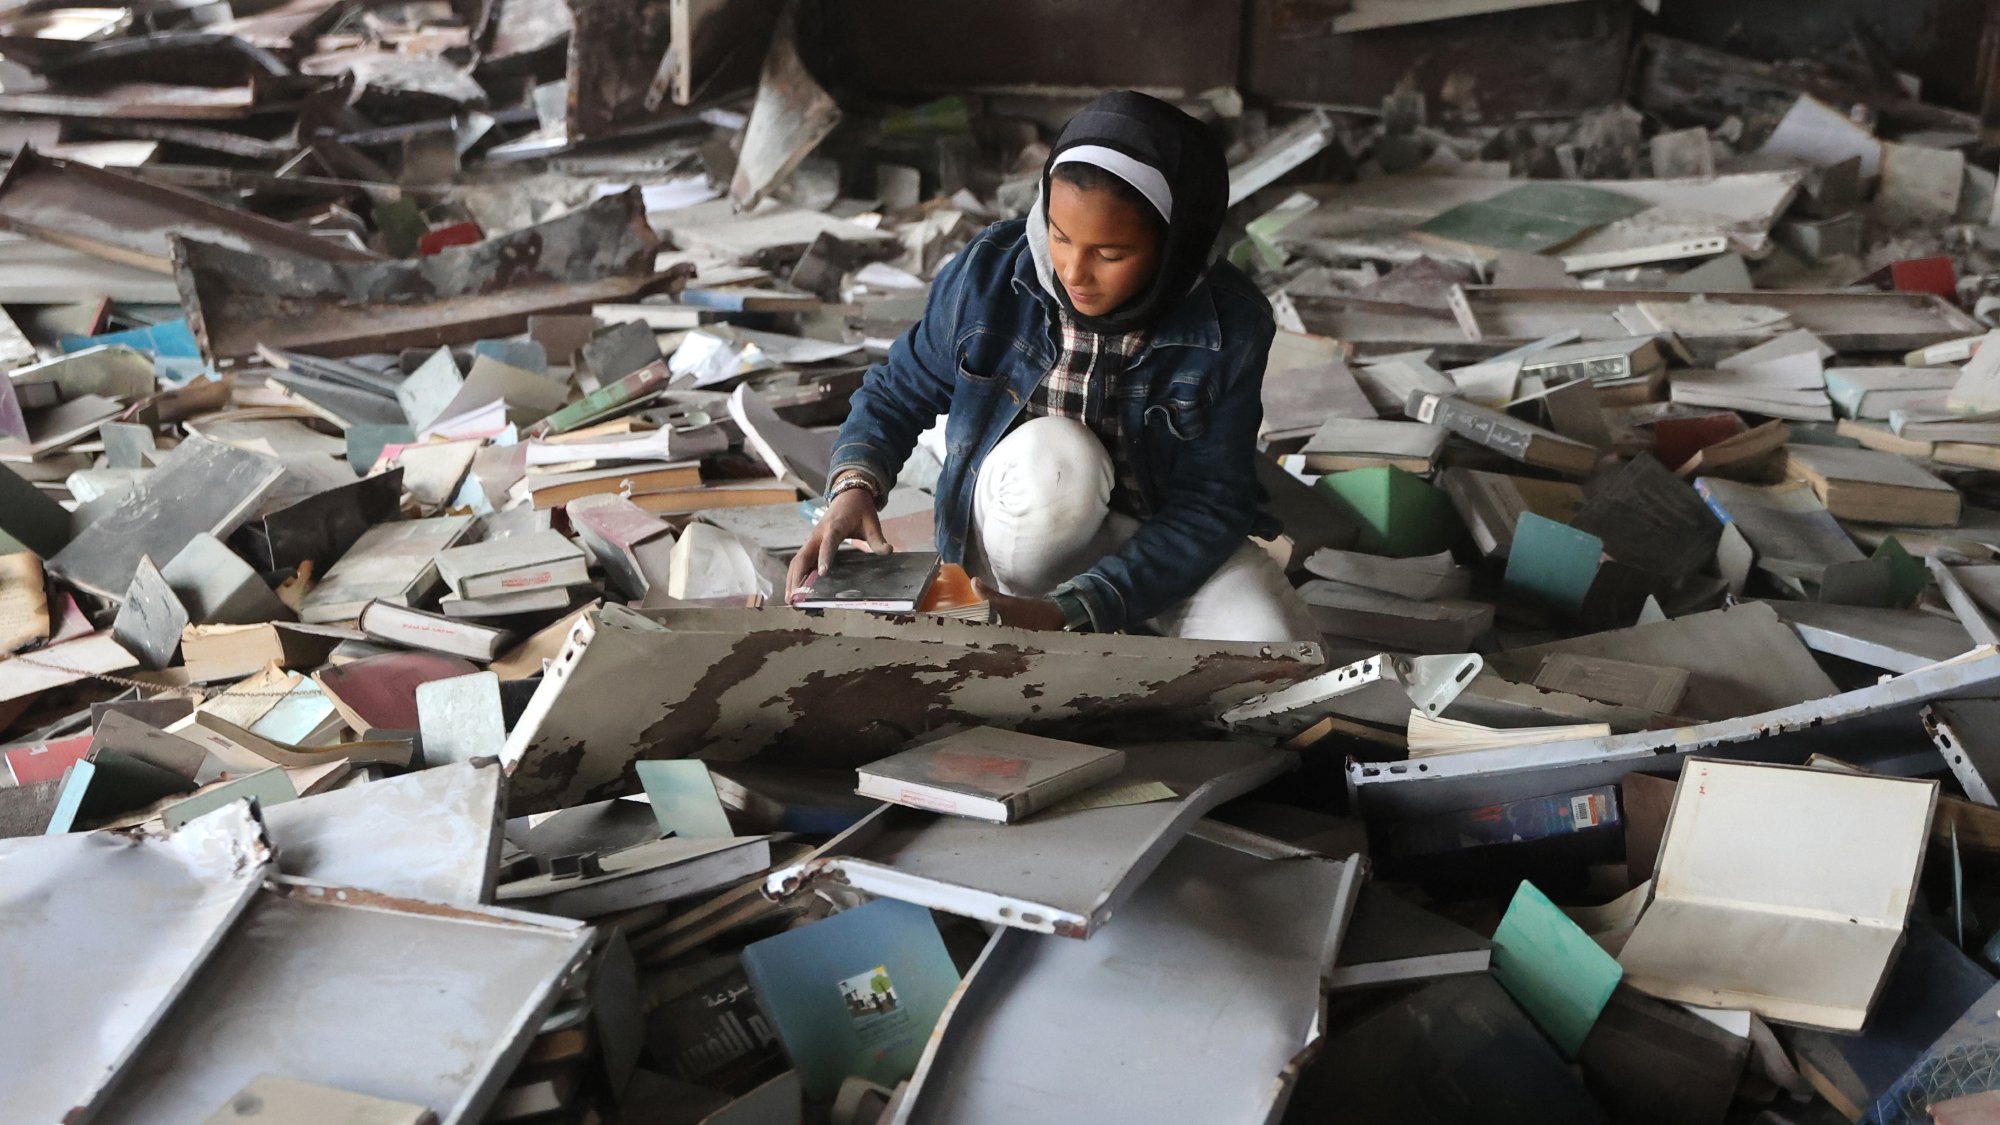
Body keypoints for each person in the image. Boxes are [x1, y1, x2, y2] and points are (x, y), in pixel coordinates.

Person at [788, 90, 1316, 643]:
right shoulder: (991, 274)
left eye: (1110, 254)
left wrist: (1074, 607)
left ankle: (1076, 623)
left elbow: (1209, 506)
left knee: (1272, 648)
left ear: (1175, 245)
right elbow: (897, 392)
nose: (1073, 271)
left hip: (1153, 543)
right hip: (1026, 523)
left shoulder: (1229, 325)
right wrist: (854, 486)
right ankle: (1017, 619)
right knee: (1060, 463)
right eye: (1059, 236)